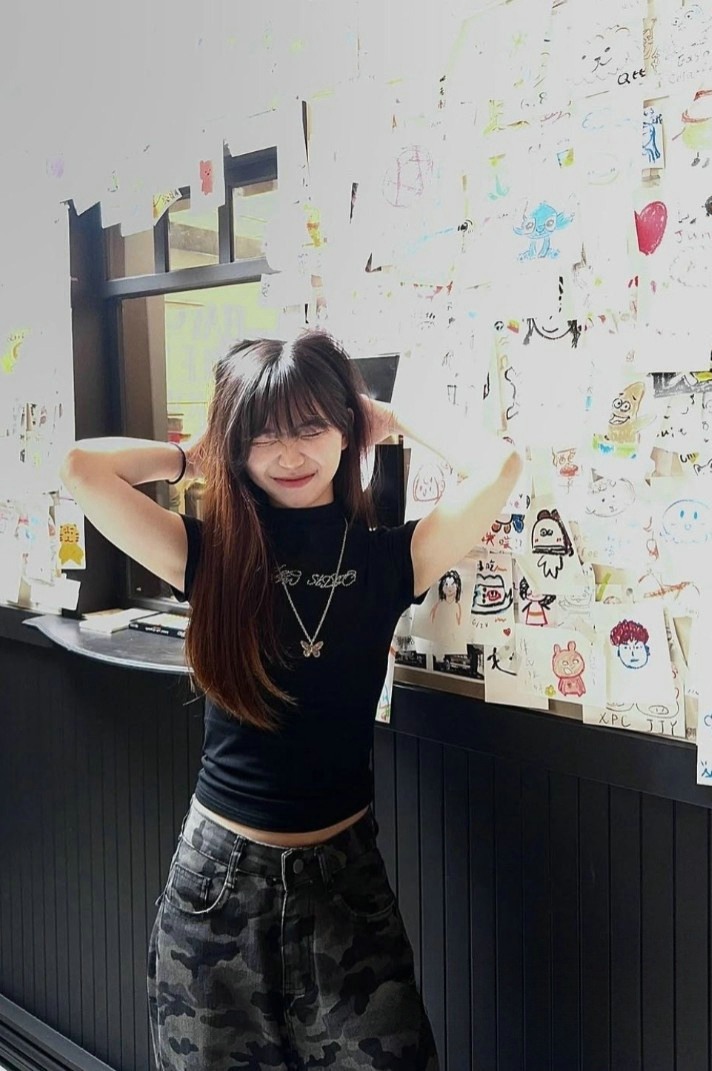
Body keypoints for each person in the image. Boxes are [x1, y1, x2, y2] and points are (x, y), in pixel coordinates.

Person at [60, 330, 523, 1071]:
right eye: (263, 435)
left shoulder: (387, 558)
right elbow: (82, 468)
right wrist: (192, 455)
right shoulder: (207, 554)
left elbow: (499, 467)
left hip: (344, 882)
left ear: (346, 428)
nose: (289, 454)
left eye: (311, 427)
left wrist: (391, 416)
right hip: (217, 884)